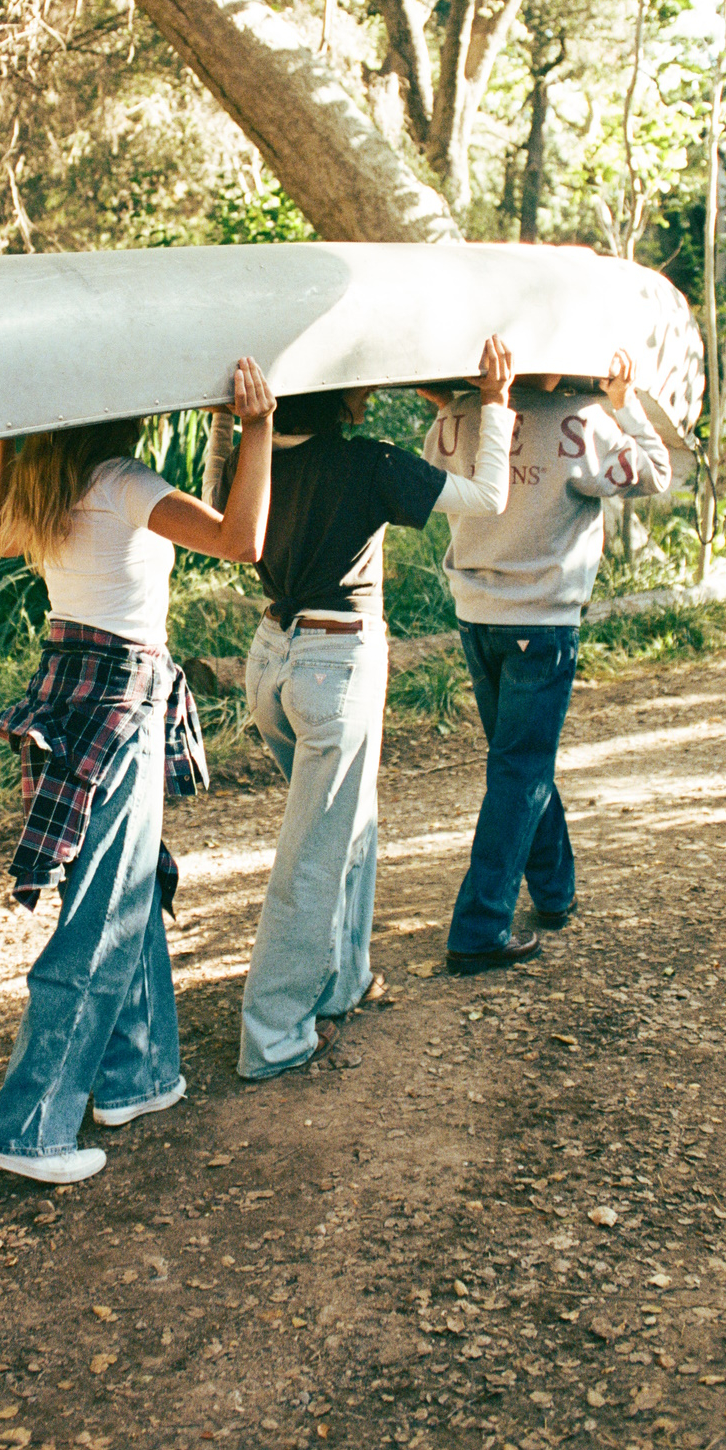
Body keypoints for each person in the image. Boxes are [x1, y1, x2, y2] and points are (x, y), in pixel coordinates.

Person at [0, 358, 276, 1186]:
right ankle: (29, 1126)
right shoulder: (119, 479)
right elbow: (241, 542)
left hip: (71, 678)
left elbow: (1, 536)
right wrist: (256, 428)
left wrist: (8, 430)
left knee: (126, 881)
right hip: (118, 690)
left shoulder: (48, 476)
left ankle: (136, 1075)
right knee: (102, 909)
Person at [204, 338, 516, 1082]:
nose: (368, 395)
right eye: (357, 384)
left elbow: (221, 507)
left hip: (272, 663)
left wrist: (228, 420)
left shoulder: (258, 456)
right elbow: (487, 498)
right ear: (334, 394)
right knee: (316, 853)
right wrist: (497, 404)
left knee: (351, 825)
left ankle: (343, 982)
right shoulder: (369, 462)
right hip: (336, 664)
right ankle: (273, 1036)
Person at [423, 350, 672, 973]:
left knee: (519, 759)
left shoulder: (459, 417)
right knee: (521, 767)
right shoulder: (584, 420)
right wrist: (625, 402)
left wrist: (460, 403)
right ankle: (479, 929)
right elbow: (656, 473)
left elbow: (434, 480)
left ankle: (556, 893)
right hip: (543, 617)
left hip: (476, 615)